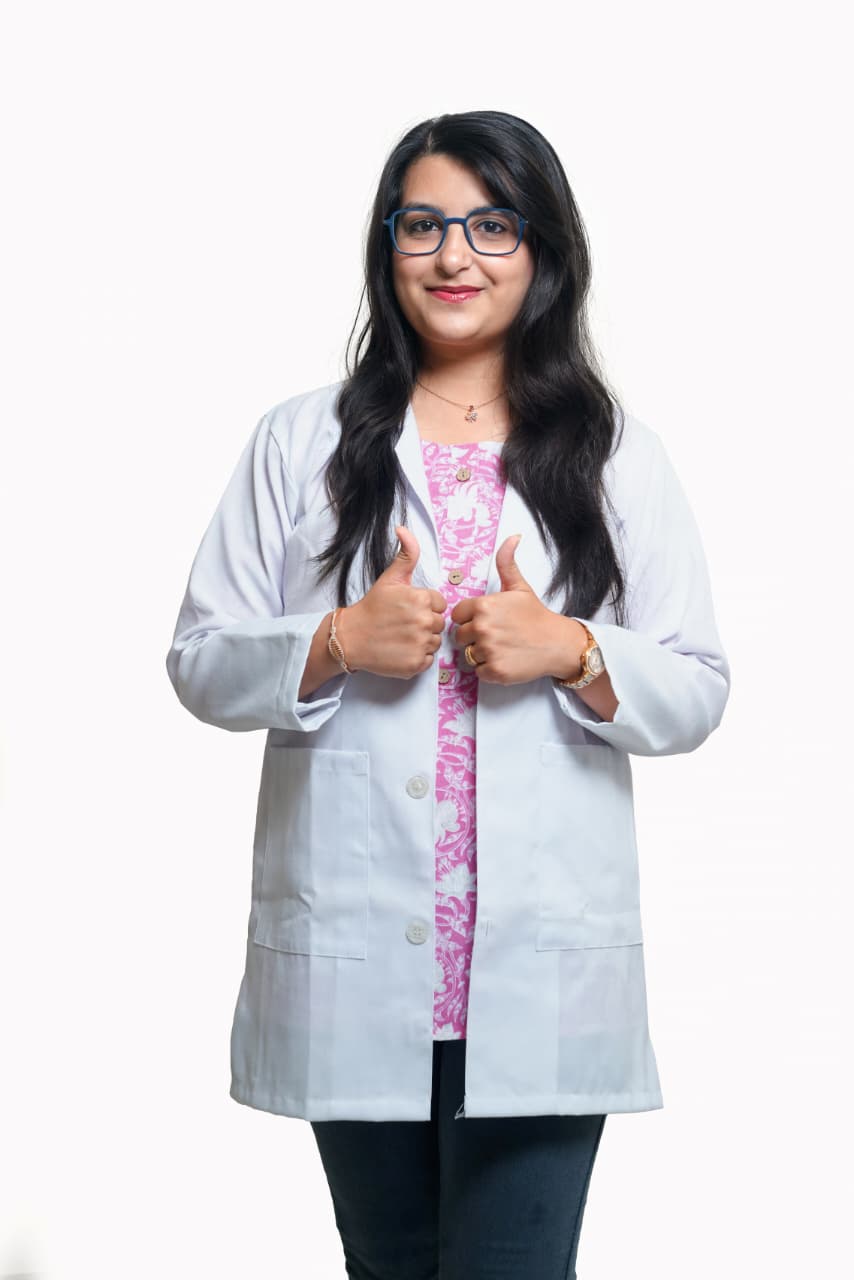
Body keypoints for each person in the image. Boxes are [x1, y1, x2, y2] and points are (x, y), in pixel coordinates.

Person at [165, 110, 731, 1280]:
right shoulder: (301, 440)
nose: (453, 255)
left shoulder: (612, 451)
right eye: (421, 224)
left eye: (490, 225)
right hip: (360, 958)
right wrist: (334, 639)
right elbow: (200, 659)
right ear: (388, 247)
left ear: (542, 250)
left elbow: (695, 687)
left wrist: (572, 648)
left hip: (538, 966)